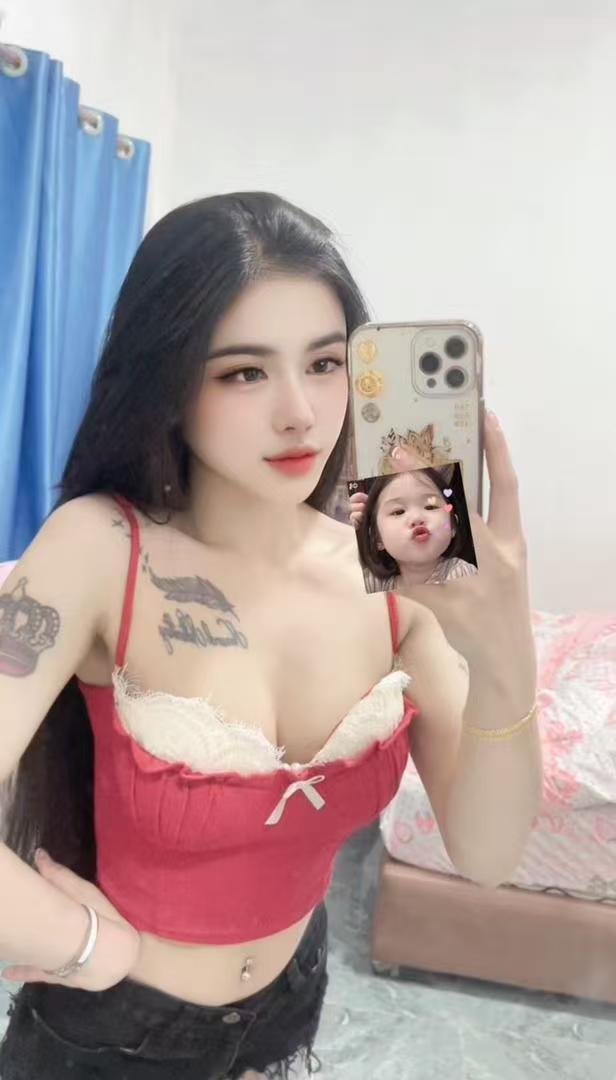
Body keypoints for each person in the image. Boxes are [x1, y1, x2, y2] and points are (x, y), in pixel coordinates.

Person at [0, 193, 542, 1079]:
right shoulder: (103, 549)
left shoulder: (392, 578)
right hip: (111, 1033)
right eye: (244, 373)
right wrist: (85, 946)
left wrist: (504, 649)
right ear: (167, 381)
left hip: (288, 1003)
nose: (300, 413)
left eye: (325, 364)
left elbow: (487, 856)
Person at [354, 466, 479, 591]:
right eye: (398, 512)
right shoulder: (374, 583)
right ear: (377, 538)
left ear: (452, 526)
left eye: (430, 507)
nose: (417, 518)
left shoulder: (461, 572)